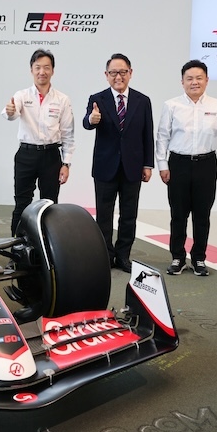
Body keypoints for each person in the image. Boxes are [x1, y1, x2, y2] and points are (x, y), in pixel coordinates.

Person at [156, 59, 217, 276]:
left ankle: (199, 258)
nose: (194, 82)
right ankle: (177, 257)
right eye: (190, 78)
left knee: (202, 215)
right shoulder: (171, 105)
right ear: (182, 81)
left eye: (199, 78)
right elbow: (162, 137)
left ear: (207, 80)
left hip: (207, 164)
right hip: (178, 164)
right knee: (178, 214)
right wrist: (163, 165)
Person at [82, 53, 154, 274]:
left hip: (132, 167)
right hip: (105, 167)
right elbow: (87, 122)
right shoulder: (98, 98)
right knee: (104, 215)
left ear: (130, 73)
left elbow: (147, 134)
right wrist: (91, 120)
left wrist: (147, 164)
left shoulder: (143, 101)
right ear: (106, 75)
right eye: (113, 73)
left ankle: (123, 256)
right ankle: (106, 255)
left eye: (123, 72)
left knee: (128, 215)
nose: (118, 77)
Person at [2, 49, 75, 236]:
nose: (42, 72)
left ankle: (48, 252)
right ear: (31, 70)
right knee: (22, 203)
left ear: (53, 71)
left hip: (51, 156)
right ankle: (17, 249)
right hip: (26, 155)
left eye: (46, 68)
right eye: (38, 68)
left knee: (49, 206)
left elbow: (68, 133)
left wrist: (66, 164)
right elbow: (11, 113)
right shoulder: (22, 96)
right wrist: (10, 111)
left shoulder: (62, 99)